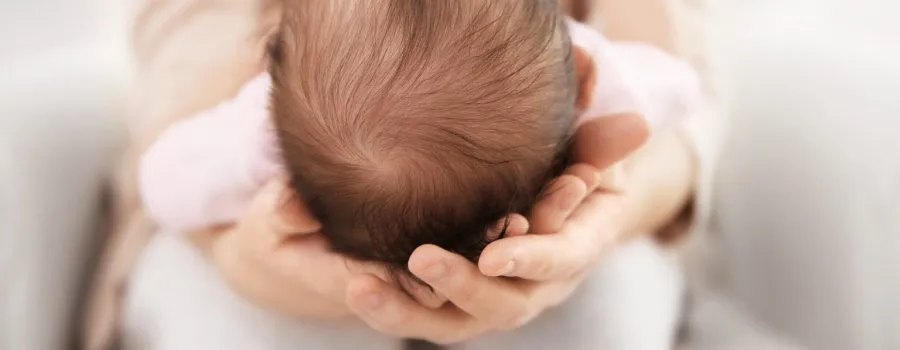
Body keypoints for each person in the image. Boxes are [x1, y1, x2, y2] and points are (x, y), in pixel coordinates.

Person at [81, 0, 711, 349]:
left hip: (322, 236)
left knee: (604, 303)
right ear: (582, 74)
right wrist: (235, 260)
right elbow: (679, 85)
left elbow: (164, 177)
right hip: (506, 237)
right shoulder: (589, 74)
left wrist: (620, 218)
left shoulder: (259, 129)